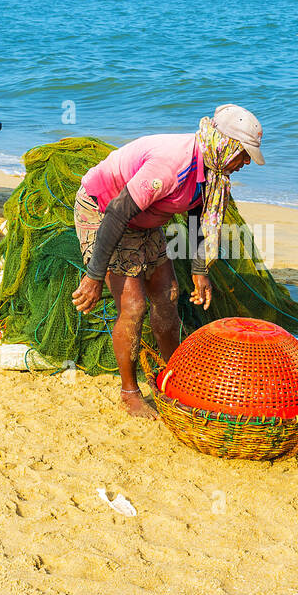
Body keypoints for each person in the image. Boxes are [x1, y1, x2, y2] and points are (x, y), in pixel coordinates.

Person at [70, 105, 264, 417]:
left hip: (145, 219)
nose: (244, 164)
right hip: (104, 210)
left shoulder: (212, 171)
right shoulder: (171, 166)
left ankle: (174, 375)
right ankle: (129, 392)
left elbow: (197, 215)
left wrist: (200, 271)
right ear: (225, 145)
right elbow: (118, 212)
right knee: (134, 307)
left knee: (169, 294)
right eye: (243, 155)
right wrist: (94, 276)